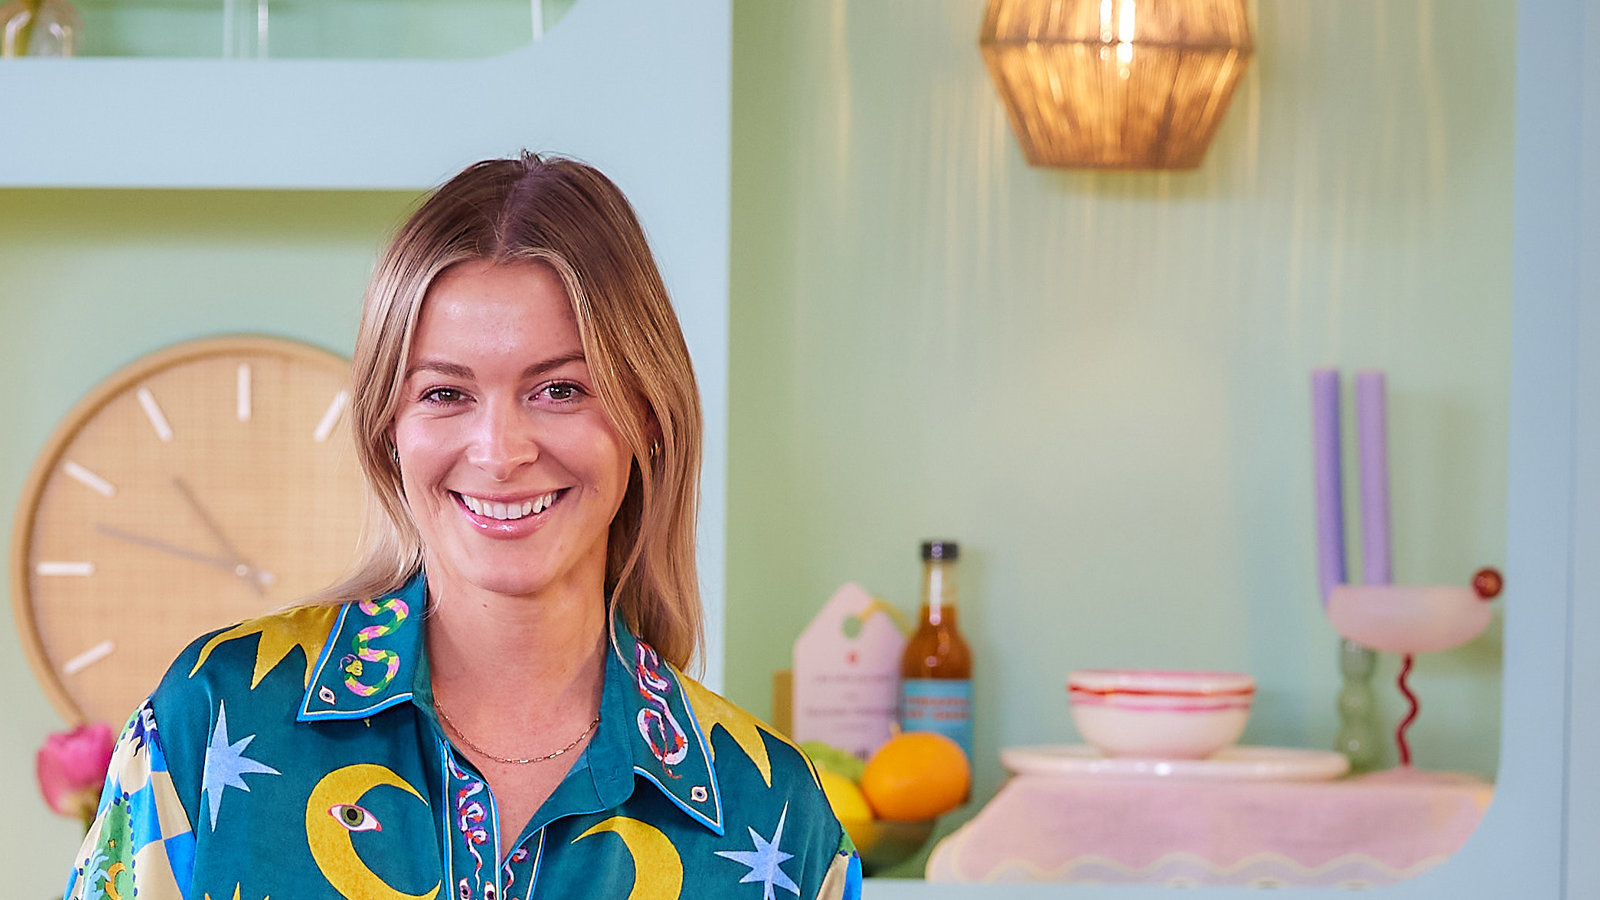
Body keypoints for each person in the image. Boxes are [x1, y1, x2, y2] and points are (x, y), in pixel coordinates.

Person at [65, 153, 861, 900]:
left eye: (560, 390)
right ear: (390, 427)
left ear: (647, 417)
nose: (501, 451)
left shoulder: (778, 816)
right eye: (446, 394)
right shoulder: (217, 715)